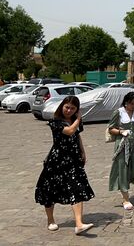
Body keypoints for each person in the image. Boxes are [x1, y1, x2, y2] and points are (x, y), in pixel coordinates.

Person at [35, 96, 95, 235]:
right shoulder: (55, 121)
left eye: (73, 108)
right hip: (56, 161)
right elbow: (69, 132)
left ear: (76, 110)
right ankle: (50, 220)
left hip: (73, 160)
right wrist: (78, 119)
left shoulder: (74, 121)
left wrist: (83, 151)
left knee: (77, 188)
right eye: (67, 107)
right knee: (49, 190)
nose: (69, 110)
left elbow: (77, 135)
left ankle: (79, 224)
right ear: (62, 106)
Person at [107, 91, 134, 210]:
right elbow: (110, 128)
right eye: (131, 103)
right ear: (126, 102)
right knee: (122, 169)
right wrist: (120, 131)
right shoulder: (118, 112)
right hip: (123, 144)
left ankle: (125, 185)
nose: (133, 106)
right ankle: (125, 197)